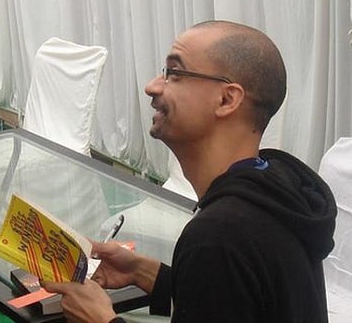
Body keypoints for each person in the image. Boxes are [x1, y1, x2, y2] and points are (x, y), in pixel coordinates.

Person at [43, 20, 336, 322]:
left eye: (175, 74)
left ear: (227, 99)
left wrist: (101, 320)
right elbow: (235, 304)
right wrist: (143, 272)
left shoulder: (220, 236)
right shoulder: (273, 192)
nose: (152, 86)